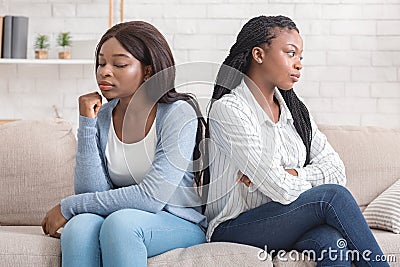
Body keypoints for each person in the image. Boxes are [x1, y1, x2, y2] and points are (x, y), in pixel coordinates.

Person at [204, 15, 388, 266]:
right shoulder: (230, 110)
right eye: (291, 53)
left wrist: (289, 174)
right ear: (258, 54)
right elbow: (280, 188)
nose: (299, 64)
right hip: (235, 226)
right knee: (332, 197)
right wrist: (289, 178)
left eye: (300, 57)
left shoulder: (296, 113)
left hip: (286, 218)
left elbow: (337, 172)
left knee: (333, 243)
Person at [41, 21, 207, 267]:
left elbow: (151, 197)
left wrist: (67, 207)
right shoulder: (104, 116)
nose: (104, 72)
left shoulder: (177, 114)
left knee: (120, 225)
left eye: (119, 64)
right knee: (79, 227)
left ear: (148, 71)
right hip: (120, 218)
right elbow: (90, 192)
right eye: (101, 63)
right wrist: (87, 122)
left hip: (176, 222)